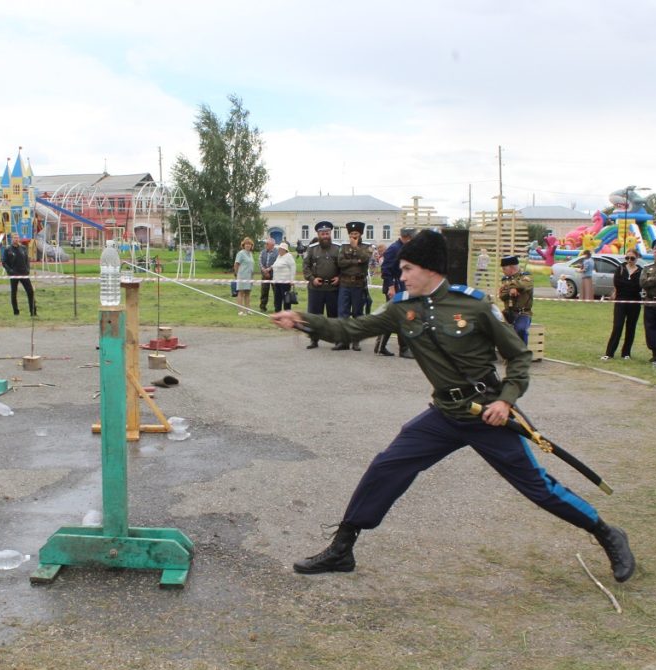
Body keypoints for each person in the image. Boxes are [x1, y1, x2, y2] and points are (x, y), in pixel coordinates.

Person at [268, 229, 635, 585]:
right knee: (386, 467)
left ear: (430, 269)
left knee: (537, 487)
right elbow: (351, 329)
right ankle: (342, 548)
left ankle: (606, 533)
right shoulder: (402, 309)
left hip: (488, 415)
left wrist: (506, 401)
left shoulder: (473, 305)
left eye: (408, 268)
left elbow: (519, 356)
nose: (401, 274)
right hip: (445, 414)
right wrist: (302, 320)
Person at [374, 227, 416, 357]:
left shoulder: (404, 248)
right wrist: (391, 287)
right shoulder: (394, 249)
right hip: (395, 286)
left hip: (402, 285)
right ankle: (402, 349)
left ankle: (382, 347)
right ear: (408, 237)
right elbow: (386, 270)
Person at [335, 221, 371, 351]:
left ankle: (356, 341)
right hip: (345, 284)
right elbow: (340, 262)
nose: (353, 236)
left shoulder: (367, 247)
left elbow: (366, 259)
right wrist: (356, 261)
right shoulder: (343, 247)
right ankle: (343, 341)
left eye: (356, 234)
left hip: (358, 284)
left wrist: (356, 247)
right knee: (343, 313)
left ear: (360, 234)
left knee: (357, 313)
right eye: (351, 234)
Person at [302, 222, 339, 347]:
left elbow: (344, 266)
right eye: (322, 234)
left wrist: (339, 278)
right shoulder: (312, 248)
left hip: (333, 288)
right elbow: (305, 266)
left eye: (327, 233)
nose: (325, 236)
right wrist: (312, 279)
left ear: (330, 234)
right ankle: (314, 339)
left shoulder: (337, 248)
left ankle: (336, 340)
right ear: (318, 234)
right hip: (316, 288)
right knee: (314, 315)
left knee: (334, 316)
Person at [602, 252, 643, 360]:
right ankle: (609, 353)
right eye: (627, 258)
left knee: (631, 327)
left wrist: (629, 285)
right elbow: (617, 282)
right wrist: (621, 289)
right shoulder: (620, 268)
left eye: (632, 258)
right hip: (621, 300)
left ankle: (626, 353)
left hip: (634, 302)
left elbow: (639, 286)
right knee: (617, 326)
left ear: (637, 258)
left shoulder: (640, 271)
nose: (629, 260)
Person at [497, 255, 533, 344]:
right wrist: (511, 290)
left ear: (511, 268)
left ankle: (523, 354)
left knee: (520, 329)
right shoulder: (505, 279)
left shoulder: (527, 277)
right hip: (508, 312)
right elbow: (502, 295)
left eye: (504, 269)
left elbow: (523, 285)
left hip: (523, 313)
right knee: (491, 325)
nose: (502, 271)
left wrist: (508, 286)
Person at [1, 232, 37, 316]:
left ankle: (33, 312)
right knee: (14, 293)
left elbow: (27, 260)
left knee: (30, 292)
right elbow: (4, 262)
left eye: (17, 237)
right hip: (14, 274)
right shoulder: (8, 249)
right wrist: (10, 271)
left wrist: (28, 269)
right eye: (14, 238)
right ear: (12, 239)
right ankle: (16, 312)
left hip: (24, 273)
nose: (16, 239)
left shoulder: (23, 248)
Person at [271, 242, 297, 312]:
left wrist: (292, 280)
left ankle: (287, 313)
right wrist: (273, 279)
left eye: (281, 249)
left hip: (285, 282)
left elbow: (293, 268)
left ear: (285, 250)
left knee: (286, 300)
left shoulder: (289, 256)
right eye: (279, 249)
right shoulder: (278, 257)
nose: (280, 250)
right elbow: (274, 267)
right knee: (277, 299)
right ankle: (278, 313)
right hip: (277, 282)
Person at [233, 237, 255, 315]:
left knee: (248, 293)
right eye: (246, 244)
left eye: (249, 244)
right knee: (241, 293)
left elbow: (251, 265)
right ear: (243, 245)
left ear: (251, 245)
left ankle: (248, 310)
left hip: (249, 276)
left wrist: (252, 276)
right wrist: (236, 274)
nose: (248, 245)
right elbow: (236, 264)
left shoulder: (251, 254)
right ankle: (240, 311)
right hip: (242, 276)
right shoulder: (241, 253)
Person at [258, 238, 278, 313]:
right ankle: (262, 307)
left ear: (272, 245)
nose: (265, 245)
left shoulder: (277, 252)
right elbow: (259, 261)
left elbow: (277, 262)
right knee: (264, 291)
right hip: (264, 275)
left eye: (267, 244)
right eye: (266, 244)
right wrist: (264, 270)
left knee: (276, 292)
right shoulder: (263, 252)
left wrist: (269, 269)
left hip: (274, 275)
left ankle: (277, 308)